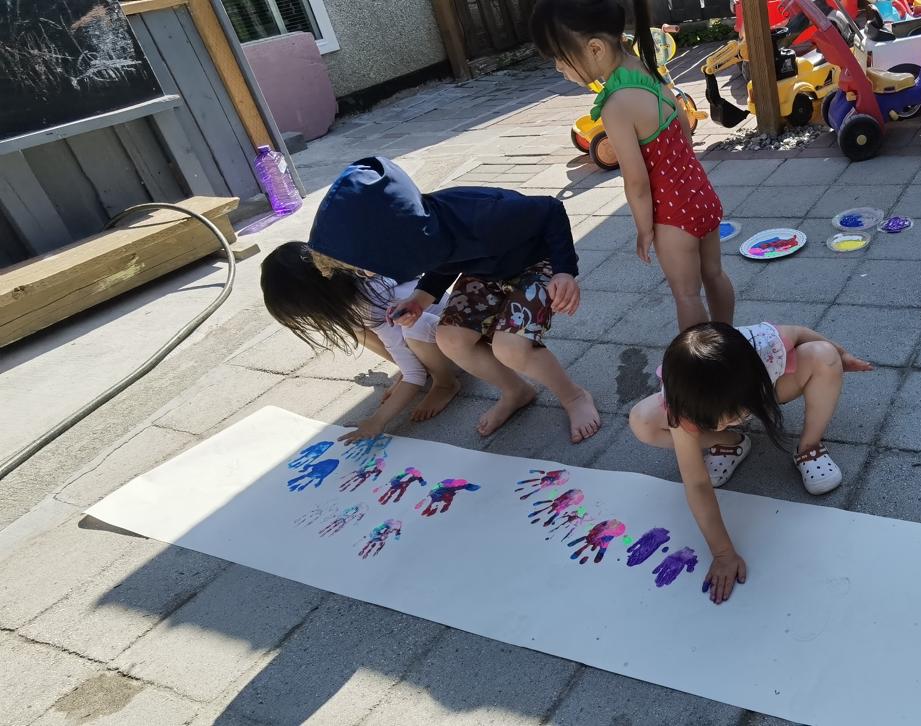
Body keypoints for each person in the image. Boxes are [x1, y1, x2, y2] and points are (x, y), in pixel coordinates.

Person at [306, 157, 601, 443]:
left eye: (363, 265)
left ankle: (573, 395)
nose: (367, 274)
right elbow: (443, 260)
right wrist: (420, 299)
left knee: (510, 347)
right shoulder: (421, 233)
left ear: (390, 240)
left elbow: (551, 210)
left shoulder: (484, 215)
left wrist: (564, 272)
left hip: (536, 262)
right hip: (485, 272)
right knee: (450, 338)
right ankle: (516, 391)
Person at [628, 322, 873, 603]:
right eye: (719, 422)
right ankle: (730, 443)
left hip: (770, 384)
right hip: (727, 395)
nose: (734, 420)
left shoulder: (765, 344)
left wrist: (842, 356)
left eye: (737, 415)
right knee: (642, 422)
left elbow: (801, 333)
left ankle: (810, 447)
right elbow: (696, 483)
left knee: (824, 356)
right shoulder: (683, 404)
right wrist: (723, 553)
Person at [530, 0, 734, 332]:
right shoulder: (646, 68)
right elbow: (683, 123)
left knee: (686, 295)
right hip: (701, 195)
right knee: (714, 274)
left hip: (673, 216)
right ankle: (728, 338)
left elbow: (636, 182)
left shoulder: (616, 105)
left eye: (559, 57)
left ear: (594, 49)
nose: (557, 68)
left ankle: (703, 368)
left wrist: (644, 229)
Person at [261, 241, 460, 443]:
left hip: (449, 332)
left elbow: (413, 375)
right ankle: (423, 363)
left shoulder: (370, 303)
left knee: (413, 328)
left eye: (311, 311)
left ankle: (445, 383)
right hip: (432, 329)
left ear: (320, 297)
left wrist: (377, 420)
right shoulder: (356, 280)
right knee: (357, 328)